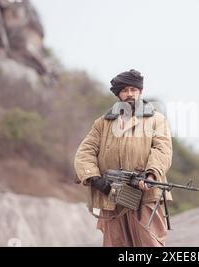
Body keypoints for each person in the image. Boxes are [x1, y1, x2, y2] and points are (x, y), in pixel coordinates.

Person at [74, 69, 173, 247]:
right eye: (124, 90)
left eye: (133, 90)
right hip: (112, 195)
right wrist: (95, 179)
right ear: (118, 94)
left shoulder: (156, 120)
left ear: (140, 91)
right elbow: (85, 152)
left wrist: (151, 176)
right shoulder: (103, 123)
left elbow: (162, 150)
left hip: (145, 194)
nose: (129, 94)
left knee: (149, 242)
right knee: (116, 243)